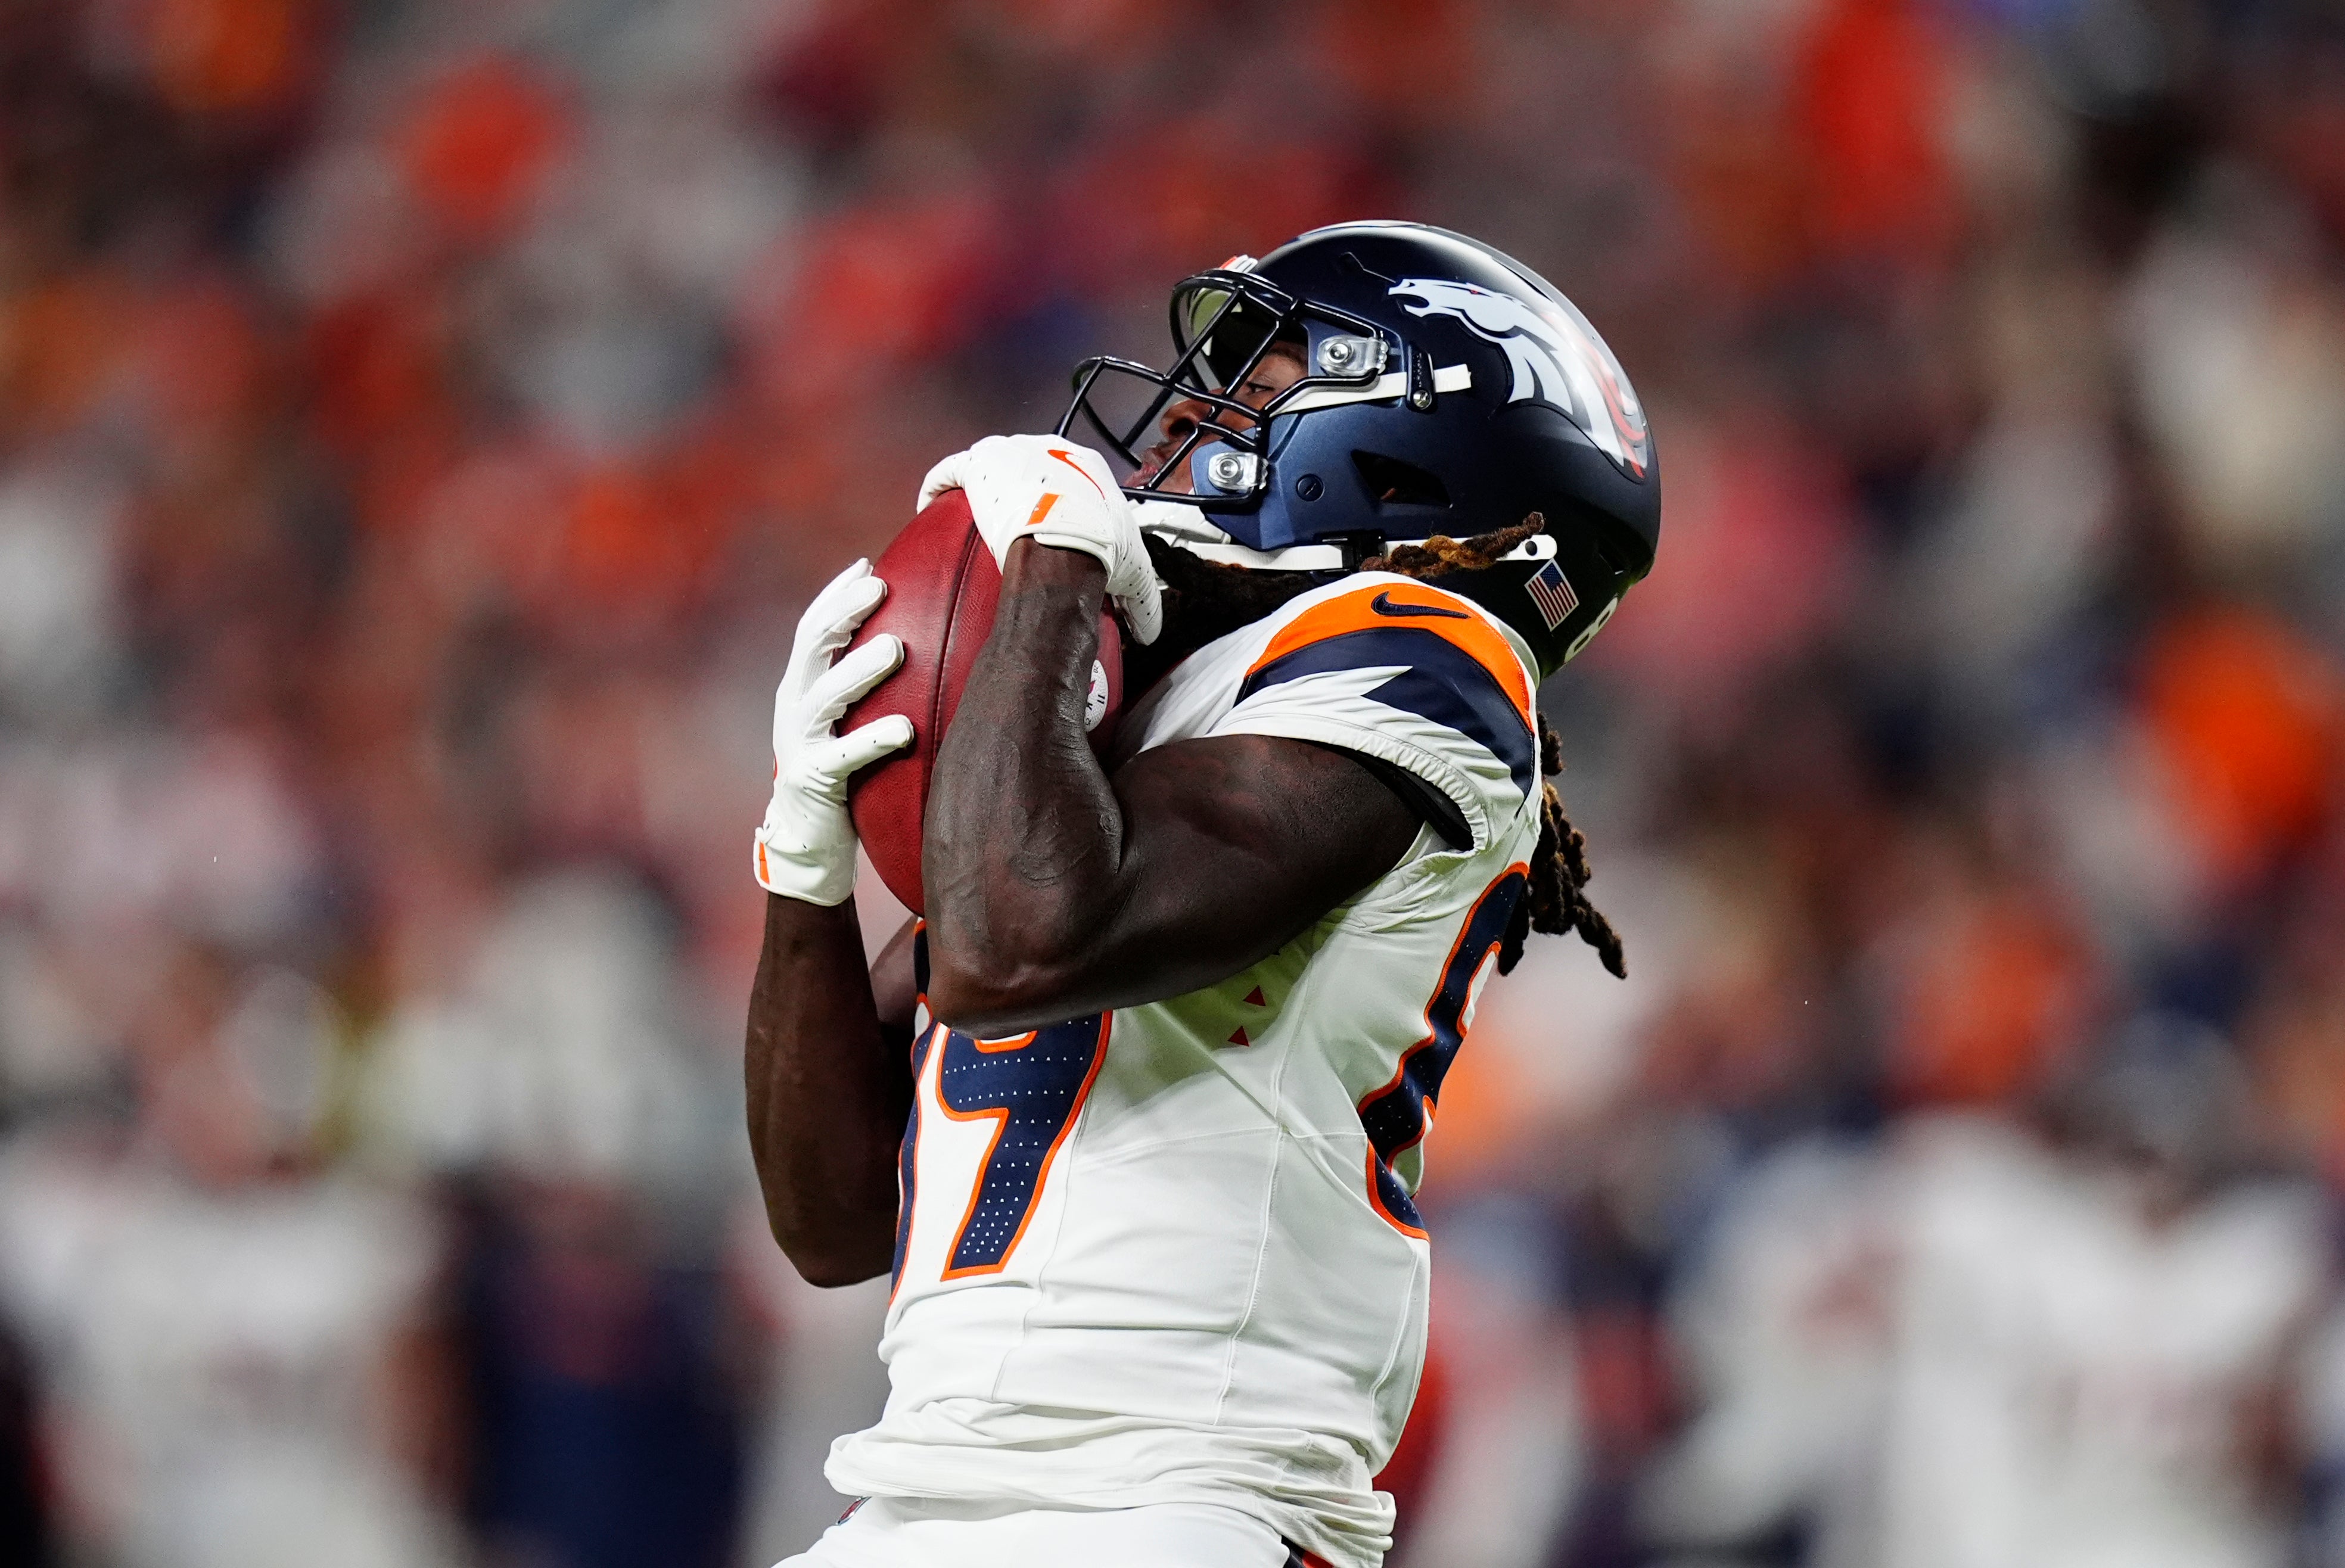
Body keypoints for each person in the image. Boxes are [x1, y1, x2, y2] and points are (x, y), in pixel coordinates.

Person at [742, 222, 1661, 1568]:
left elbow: (1024, 938)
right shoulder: (1127, 730)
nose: (1195, 421)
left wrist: (1047, 570)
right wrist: (803, 864)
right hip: (918, 1495)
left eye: (1272, 372)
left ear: (1409, 438)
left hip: (1184, 1493)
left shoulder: (1431, 655)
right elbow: (826, 1221)